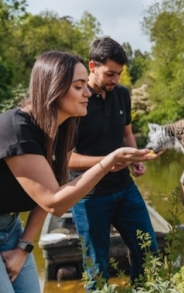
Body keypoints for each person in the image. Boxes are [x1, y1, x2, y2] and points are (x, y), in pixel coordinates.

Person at [0, 50, 158, 293]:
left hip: (11, 227)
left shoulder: (61, 129)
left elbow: (50, 193)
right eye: (78, 86)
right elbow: (55, 203)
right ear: (54, 88)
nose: (87, 93)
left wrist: (23, 248)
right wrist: (107, 162)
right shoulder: (16, 128)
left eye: (86, 85)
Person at [68, 37, 163, 291]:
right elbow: (66, 159)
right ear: (92, 66)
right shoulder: (75, 100)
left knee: (148, 251)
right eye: (110, 73)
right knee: (97, 269)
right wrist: (108, 162)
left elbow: (126, 133)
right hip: (89, 195)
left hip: (124, 189)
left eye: (119, 74)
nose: (115, 80)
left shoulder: (121, 94)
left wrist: (135, 159)